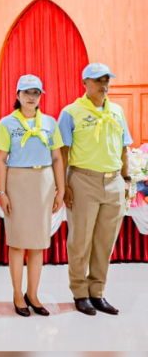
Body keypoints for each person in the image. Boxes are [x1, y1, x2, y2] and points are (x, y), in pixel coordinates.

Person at [58, 62, 132, 315]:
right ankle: (80, 293)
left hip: (113, 181)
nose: (104, 84)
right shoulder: (71, 112)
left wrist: (126, 179)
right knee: (80, 241)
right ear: (84, 83)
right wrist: (63, 185)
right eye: (98, 80)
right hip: (83, 180)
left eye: (106, 79)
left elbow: (124, 148)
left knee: (105, 241)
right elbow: (63, 152)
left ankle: (97, 292)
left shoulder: (117, 111)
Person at [0, 75, 65, 317]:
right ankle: (17, 294)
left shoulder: (50, 123)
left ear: (41, 96)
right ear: (18, 95)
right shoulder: (6, 124)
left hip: (43, 183)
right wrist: (2, 192)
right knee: (17, 242)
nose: (31, 97)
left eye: (36, 92)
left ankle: (32, 294)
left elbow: (57, 158)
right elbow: (1, 160)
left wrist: (60, 189)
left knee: (38, 242)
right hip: (17, 182)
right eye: (26, 92)